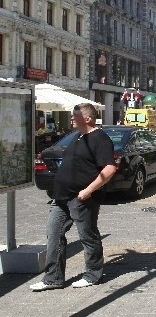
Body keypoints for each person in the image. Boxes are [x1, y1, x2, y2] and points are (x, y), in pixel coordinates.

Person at [30, 103, 118, 292]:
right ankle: (53, 278)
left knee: (87, 235)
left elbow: (109, 168)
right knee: (54, 235)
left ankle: (93, 274)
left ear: (87, 118)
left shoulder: (100, 138)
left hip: (82, 198)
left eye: (75, 115)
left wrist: (88, 191)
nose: (71, 118)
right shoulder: (77, 137)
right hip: (60, 197)